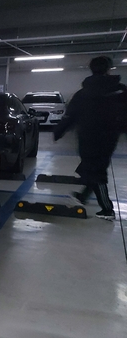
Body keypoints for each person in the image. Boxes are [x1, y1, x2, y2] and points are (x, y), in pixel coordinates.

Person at [53, 56, 127, 221]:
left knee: (95, 171)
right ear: (109, 69)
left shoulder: (83, 93)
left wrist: (58, 131)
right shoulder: (121, 90)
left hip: (88, 138)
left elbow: (70, 115)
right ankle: (82, 197)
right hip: (109, 138)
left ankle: (107, 209)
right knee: (95, 168)